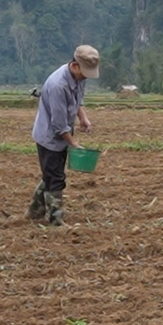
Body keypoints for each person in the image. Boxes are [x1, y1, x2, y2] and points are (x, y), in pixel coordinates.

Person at [28, 45, 100, 225]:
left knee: (50, 175)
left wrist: (83, 117)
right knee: (56, 179)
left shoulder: (78, 77)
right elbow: (59, 125)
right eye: (84, 73)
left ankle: (34, 212)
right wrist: (74, 144)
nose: (85, 77)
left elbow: (78, 100)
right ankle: (55, 221)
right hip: (49, 138)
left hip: (62, 134)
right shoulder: (58, 85)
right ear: (75, 66)